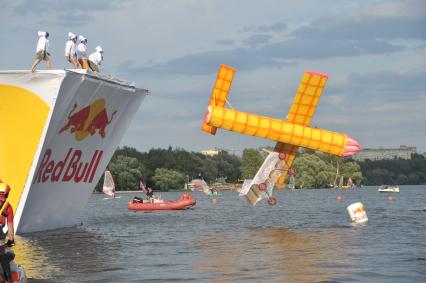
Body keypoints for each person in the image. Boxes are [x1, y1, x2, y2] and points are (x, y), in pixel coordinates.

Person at [0, 182, 14, 283]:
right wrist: (9, 243)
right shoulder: (8, 207)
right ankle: (8, 279)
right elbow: (10, 230)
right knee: (4, 257)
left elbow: (10, 230)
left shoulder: (8, 208)